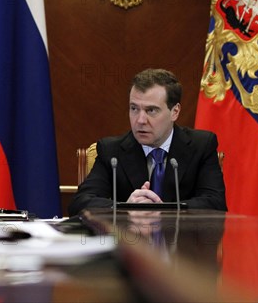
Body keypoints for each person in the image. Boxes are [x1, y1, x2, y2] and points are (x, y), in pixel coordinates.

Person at [69, 68, 227, 216]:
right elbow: (80, 203)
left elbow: (215, 204)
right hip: (129, 242)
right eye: (134, 108)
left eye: (151, 110)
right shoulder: (111, 151)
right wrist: (125, 207)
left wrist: (160, 210)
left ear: (175, 112)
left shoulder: (201, 145)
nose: (140, 120)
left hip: (183, 243)